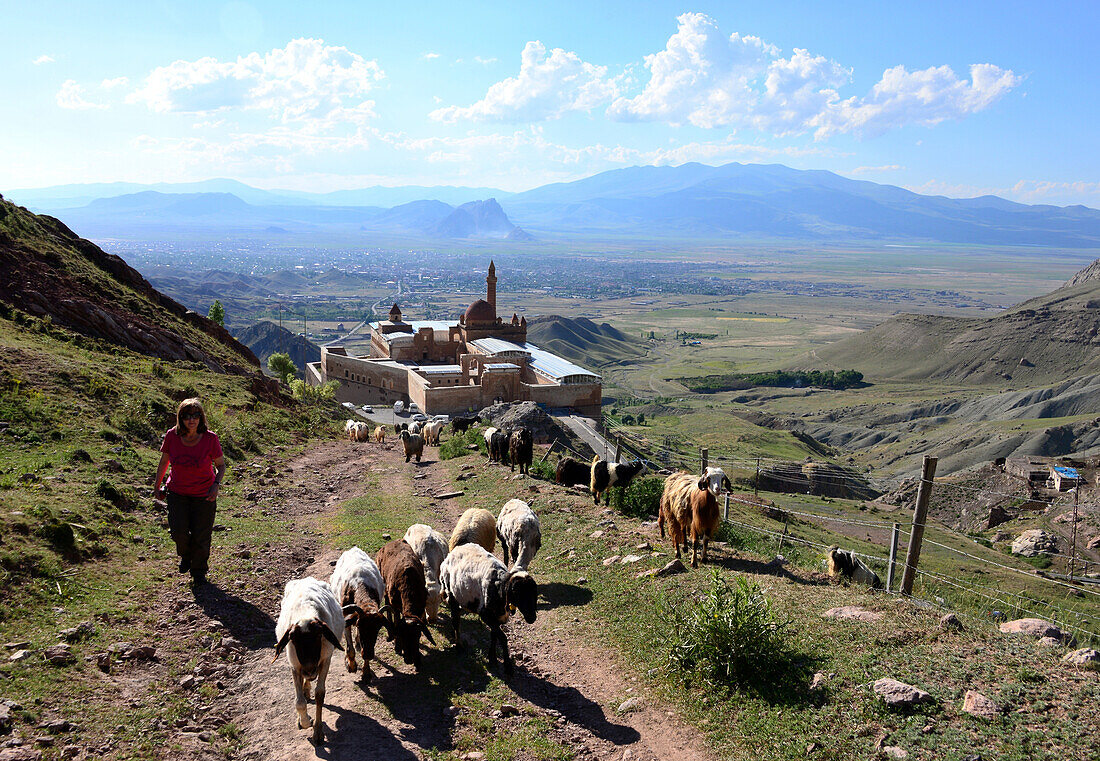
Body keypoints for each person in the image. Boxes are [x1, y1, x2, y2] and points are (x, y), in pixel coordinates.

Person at [153, 398, 225, 586]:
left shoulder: (211, 438)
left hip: (204, 494)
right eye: (186, 416)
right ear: (180, 418)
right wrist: (157, 485)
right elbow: (164, 462)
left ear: (201, 418)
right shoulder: (172, 436)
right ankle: (186, 555)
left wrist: (216, 485)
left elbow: (221, 466)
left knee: (202, 535)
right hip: (177, 492)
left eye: (195, 415)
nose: (191, 420)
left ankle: (199, 571)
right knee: (178, 532)